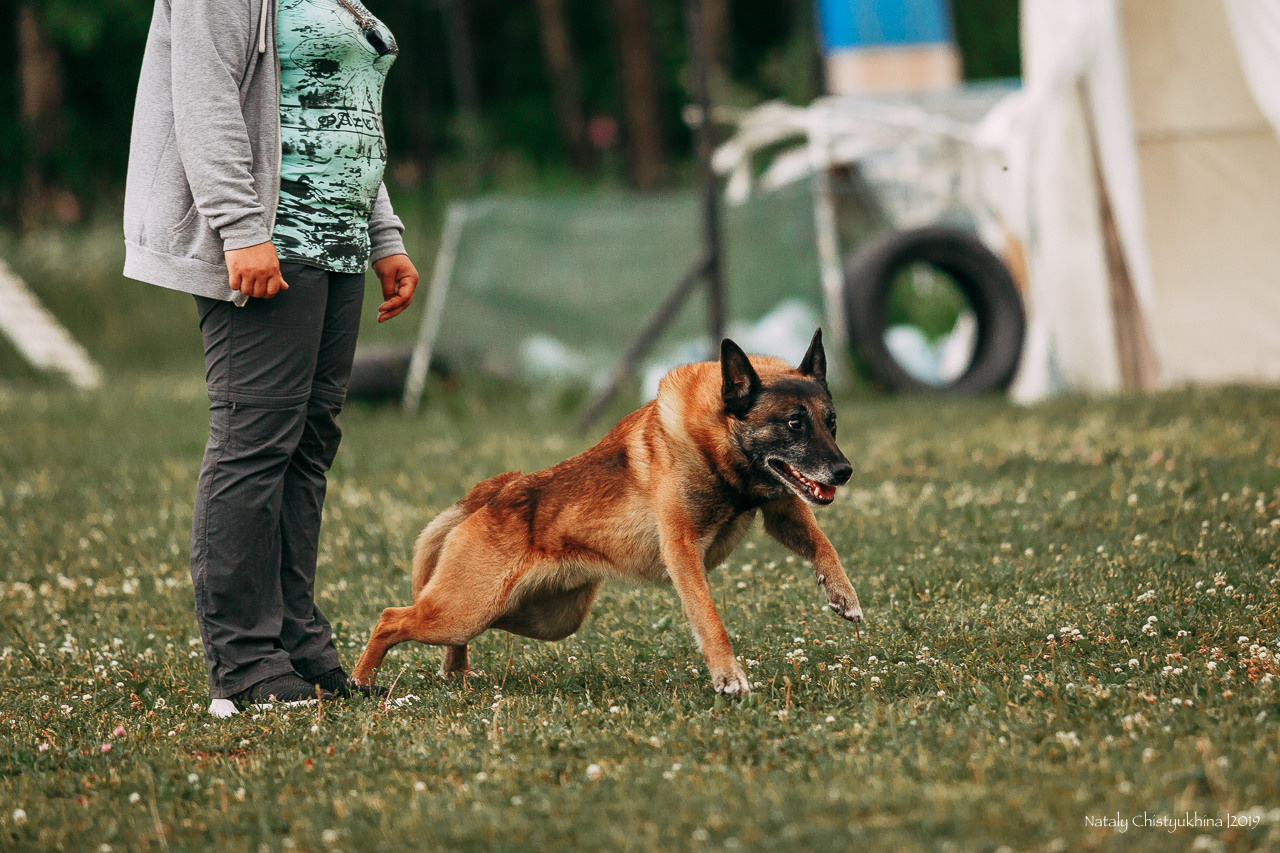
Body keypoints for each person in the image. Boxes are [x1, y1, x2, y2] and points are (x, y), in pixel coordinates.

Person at [123, 0, 419, 714]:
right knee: (254, 444)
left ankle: (299, 647)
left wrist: (384, 234)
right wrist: (239, 226)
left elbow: (344, 110)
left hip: (338, 243)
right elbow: (206, 95)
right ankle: (245, 662)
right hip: (271, 241)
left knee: (307, 446)